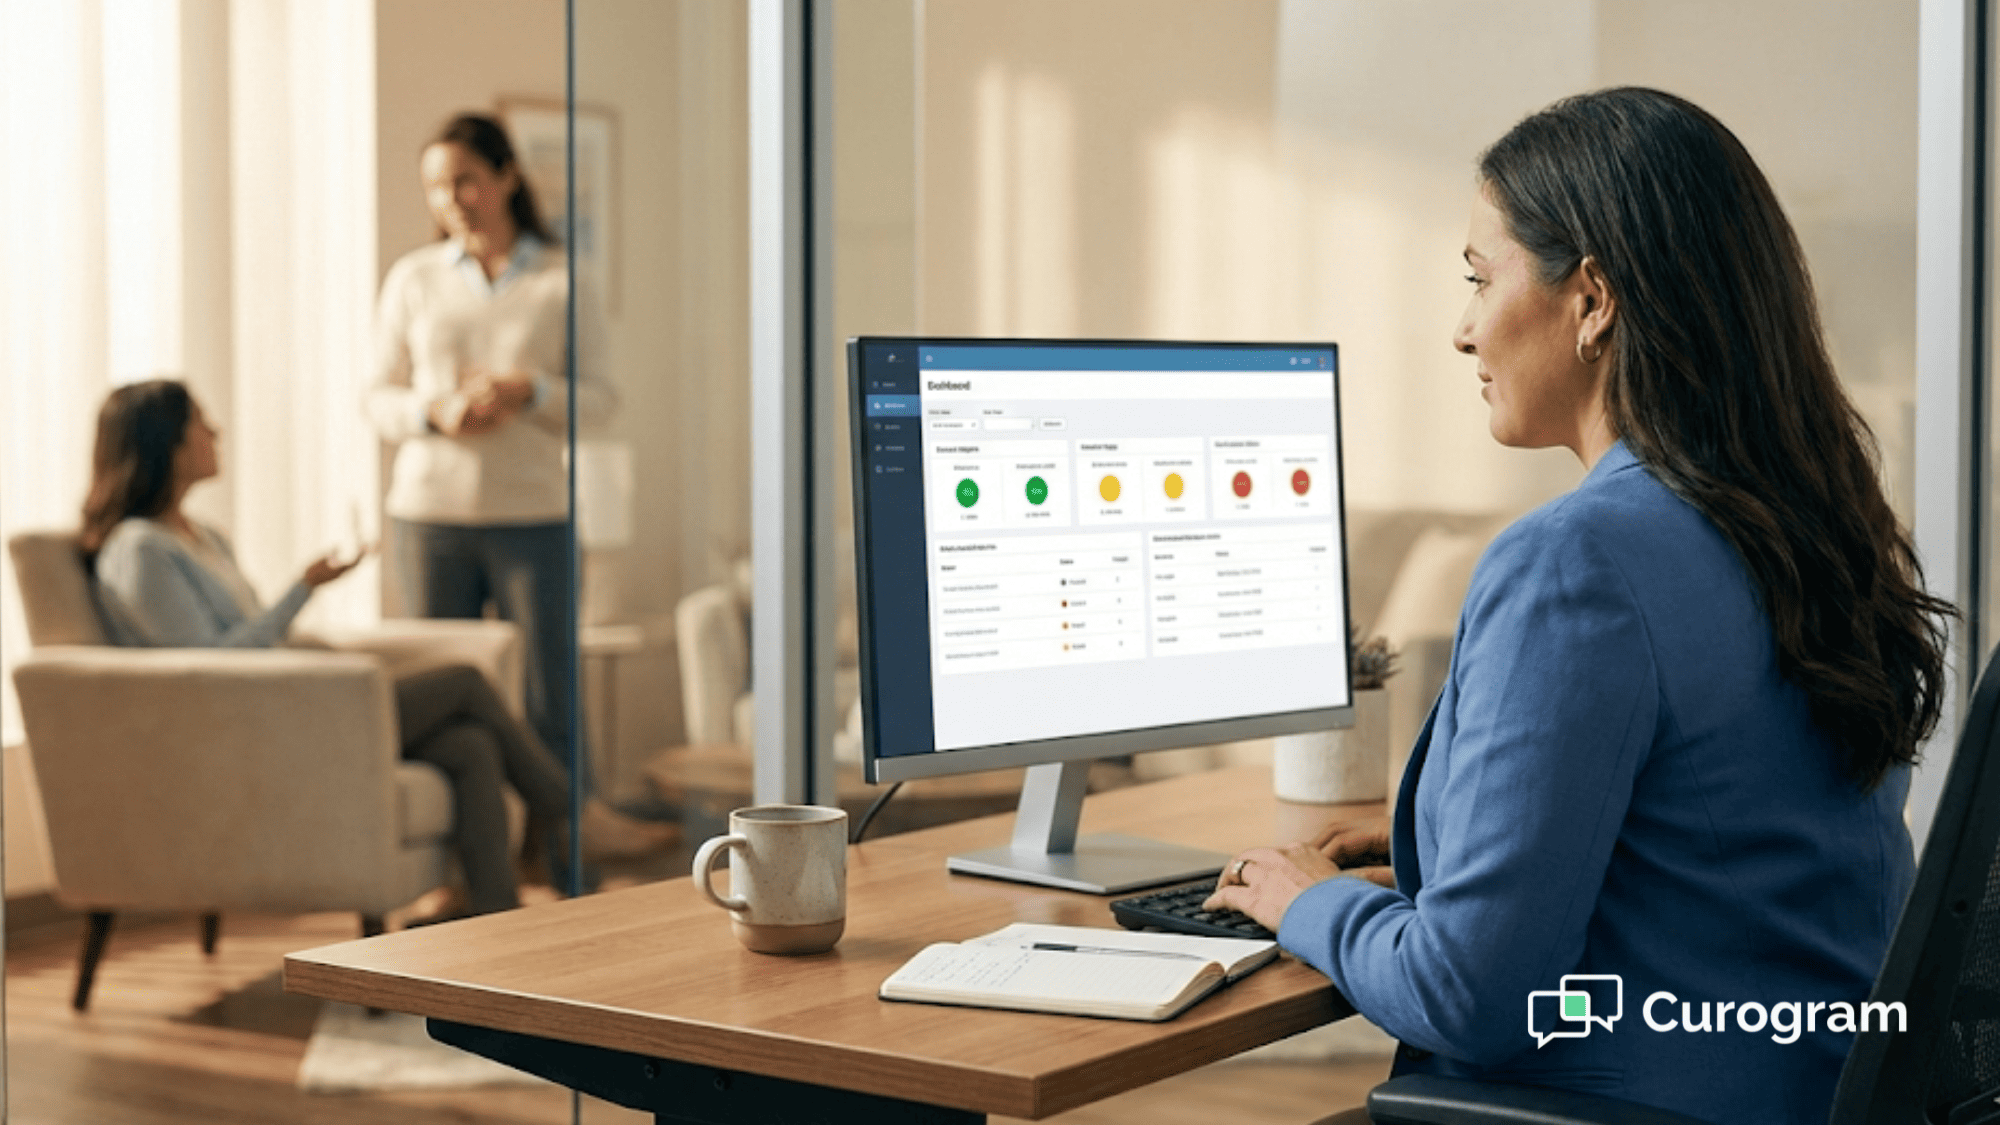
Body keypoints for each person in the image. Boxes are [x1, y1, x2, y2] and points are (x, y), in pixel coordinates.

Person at [1206, 88, 1950, 1125]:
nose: (1461, 331)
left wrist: (1306, 903)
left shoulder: (1576, 562)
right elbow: (1723, 833)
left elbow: (1468, 997)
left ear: (1591, 297)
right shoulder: (1811, 531)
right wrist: (1445, 837)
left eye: (1478, 279)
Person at [82, 380, 672, 919]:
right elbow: (210, 664)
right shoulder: (140, 551)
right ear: (167, 444)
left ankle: (499, 923)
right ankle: (573, 813)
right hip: (248, 728)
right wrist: (302, 590)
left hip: (285, 704)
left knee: (470, 746)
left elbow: (249, 643)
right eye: (200, 424)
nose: (215, 433)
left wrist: (308, 623)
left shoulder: (202, 535)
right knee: (465, 681)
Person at [365, 111, 615, 813]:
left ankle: (569, 860)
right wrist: (431, 412)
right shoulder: (413, 279)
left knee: (550, 695)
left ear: (506, 176)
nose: (452, 200)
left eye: (466, 181)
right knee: (442, 700)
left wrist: (527, 391)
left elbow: (602, 400)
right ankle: (459, 876)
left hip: (533, 513)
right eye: (438, 188)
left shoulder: (567, 280)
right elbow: (375, 397)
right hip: (428, 516)